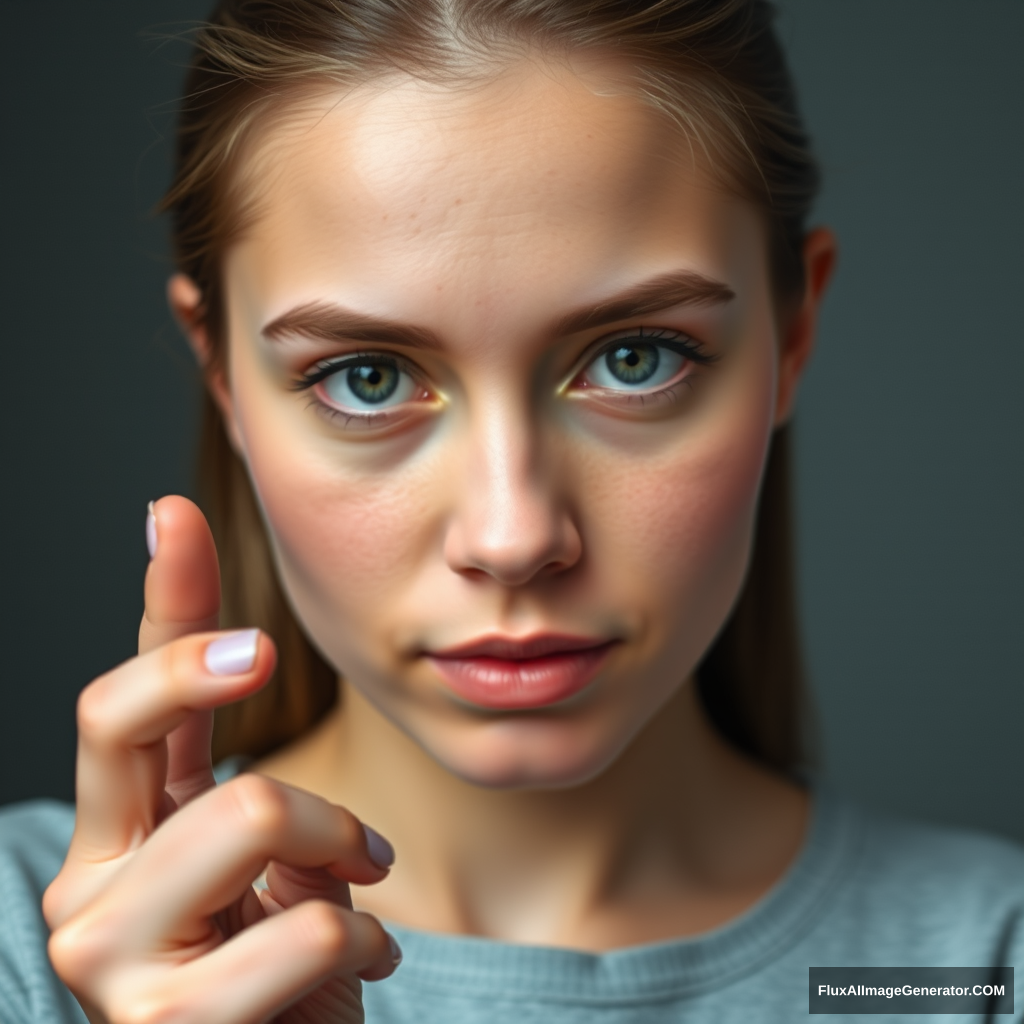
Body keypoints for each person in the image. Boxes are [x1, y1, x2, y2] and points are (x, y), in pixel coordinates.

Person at [0, 1, 1021, 1022]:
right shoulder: (32, 951)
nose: (512, 537)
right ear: (220, 368)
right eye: (364, 376)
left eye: (636, 358)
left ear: (791, 333)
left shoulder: (982, 966)